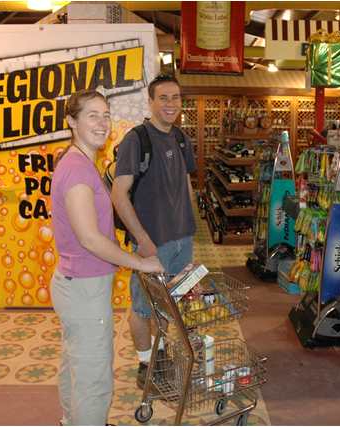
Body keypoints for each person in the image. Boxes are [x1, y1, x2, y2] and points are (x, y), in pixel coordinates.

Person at [50, 89, 164, 426]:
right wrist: (141, 262)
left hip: (77, 284)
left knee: (77, 364)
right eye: (92, 116)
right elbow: (89, 238)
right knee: (94, 378)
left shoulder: (81, 162)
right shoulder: (77, 170)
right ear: (72, 121)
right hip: (83, 289)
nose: (102, 123)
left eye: (105, 114)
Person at [111, 74, 197, 389]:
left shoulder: (181, 138)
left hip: (182, 240)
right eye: (163, 97)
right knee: (142, 306)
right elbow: (119, 194)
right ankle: (145, 363)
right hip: (152, 243)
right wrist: (143, 240)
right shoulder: (137, 139)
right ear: (150, 101)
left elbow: (185, 182)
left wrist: (191, 224)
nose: (171, 103)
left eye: (175, 97)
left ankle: (160, 353)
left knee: (169, 303)